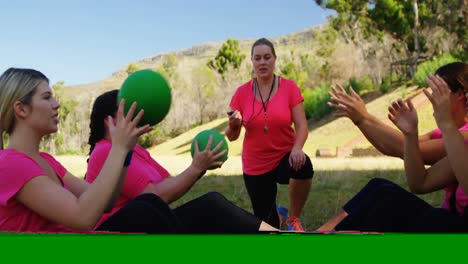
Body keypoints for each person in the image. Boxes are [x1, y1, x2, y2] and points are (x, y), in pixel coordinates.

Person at [86, 90, 277, 233]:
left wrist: (200, 166)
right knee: (211, 206)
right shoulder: (105, 151)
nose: (135, 116)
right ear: (108, 121)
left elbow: (167, 185)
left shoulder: (134, 149)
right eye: (126, 112)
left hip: (151, 223)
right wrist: (196, 167)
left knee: (210, 207)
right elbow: (155, 198)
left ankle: (274, 237)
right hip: (117, 232)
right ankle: (278, 238)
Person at [318, 63, 468, 232]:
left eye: (438, 91)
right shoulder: (447, 134)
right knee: (382, 189)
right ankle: (322, 236)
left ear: (460, 95)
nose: (431, 96)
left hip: (456, 228)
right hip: (450, 220)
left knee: (423, 214)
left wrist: (363, 117)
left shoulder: (462, 137)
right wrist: (363, 119)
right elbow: (416, 175)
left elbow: (405, 148)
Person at [0, 68, 152, 233]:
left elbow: (106, 202)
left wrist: (125, 152)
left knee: (147, 206)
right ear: (21, 109)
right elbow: (83, 217)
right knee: (146, 213)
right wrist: (118, 149)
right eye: (46, 97)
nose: (56, 104)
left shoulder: (46, 160)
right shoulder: (10, 164)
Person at [225, 38, 314, 231]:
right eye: (257, 58)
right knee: (268, 228)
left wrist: (297, 148)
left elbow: (302, 125)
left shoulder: (290, 88)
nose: (262, 62)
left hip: (285, 156)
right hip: (256, 165)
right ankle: (278, 218)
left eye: (267, 57)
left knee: (303, 165)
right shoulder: (241, 93)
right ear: (252, 61)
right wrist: (234, 125)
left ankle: (293, 219)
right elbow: (232, 136)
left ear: (274, 59)